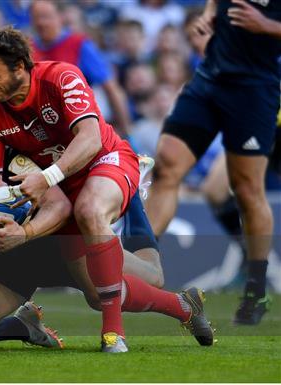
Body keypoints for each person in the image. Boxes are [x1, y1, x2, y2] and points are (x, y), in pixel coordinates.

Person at [0, 110, 213, 352]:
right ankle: (23, 326)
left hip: (66, 252)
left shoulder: (11, 161)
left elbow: (59, 208)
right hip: (7, 271)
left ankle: (135, 192)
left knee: (146, 280)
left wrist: (23, 234)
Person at [0, 26, 143, 352]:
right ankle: (183, 306)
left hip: (106, 160)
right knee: (95, 293)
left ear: (19, 66)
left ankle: (113, 335)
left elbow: (90, 140)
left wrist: (46, 178)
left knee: (90, 210)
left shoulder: (62, 77)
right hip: (61, 189)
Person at [144, 0, 281, 325]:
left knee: (246, 190)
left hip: (255, 89)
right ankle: (139, 260)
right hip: (209, 79)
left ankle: (256, 287)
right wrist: (209, 13)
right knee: (166, 165)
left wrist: (267, 25)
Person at [30, 0, 131, 136]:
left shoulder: (79, 44)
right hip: (45, 125)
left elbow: (110, 87)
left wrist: (127, 132)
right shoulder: (29, 49)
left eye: (46, 16)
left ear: (60, 16)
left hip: (81, 122)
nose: (41, 23)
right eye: (36, 17)